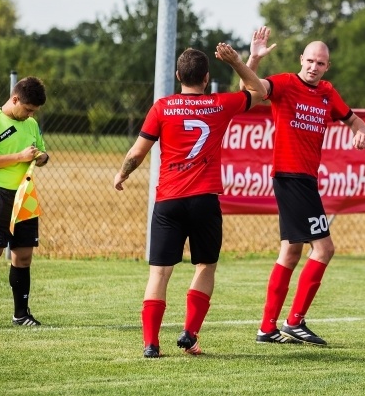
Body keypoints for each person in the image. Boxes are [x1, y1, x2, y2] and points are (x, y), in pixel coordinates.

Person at [113, 44, 266, 358]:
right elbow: (258, 90)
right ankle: (190, 333)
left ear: (177, 75)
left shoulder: (162, 107)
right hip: (204, 200)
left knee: (159, 272)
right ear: (206, 78)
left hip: (168, 201)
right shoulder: (220, 104)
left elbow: (137, 153)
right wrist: (241, 61)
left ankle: (151, 344)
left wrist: (122, 174)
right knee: (205, 265)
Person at [243, 26, 365, 346]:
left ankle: (267, 328)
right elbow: (252, 89)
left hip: (305, 179)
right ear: (301, 59)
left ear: (327, 67)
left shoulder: (327, 92)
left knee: (291, 251)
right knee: (324, 248)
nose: (314, 67)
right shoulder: (285, 83)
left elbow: (355, 119)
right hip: (291, 176)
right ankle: (295, 321)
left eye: (320, 63)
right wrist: (253, 59)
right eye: (310, 60)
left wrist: (360, 131)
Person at [0, 76, 49, 329]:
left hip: (25, 196)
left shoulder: (32, 124)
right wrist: (19, 157)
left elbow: (42, 153)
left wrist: (42, 156)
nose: (29, 115)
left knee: (23, 257)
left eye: (33, 111)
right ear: (15, 99)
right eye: (27, 109)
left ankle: (21, 314)